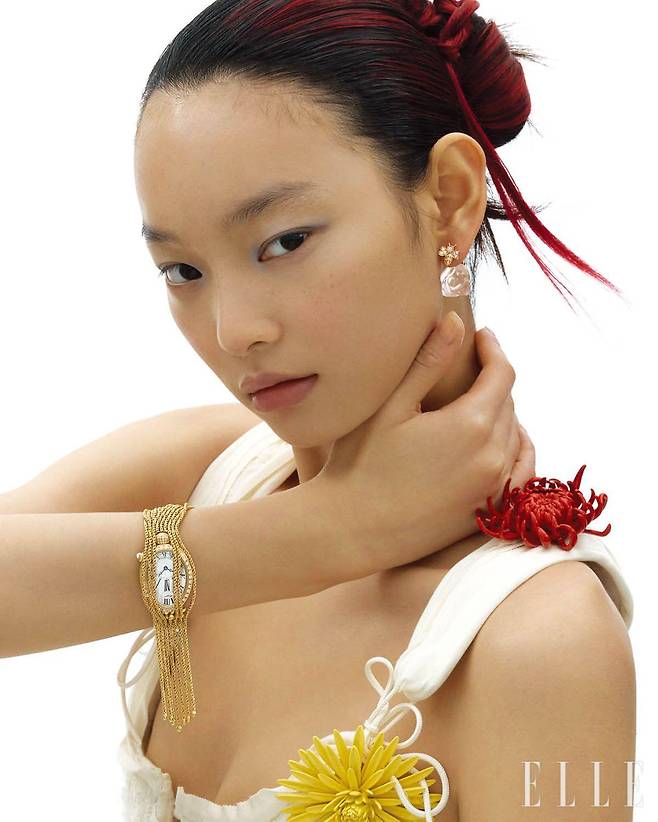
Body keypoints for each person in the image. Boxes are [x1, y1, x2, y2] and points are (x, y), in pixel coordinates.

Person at [0, 1, 635, 820]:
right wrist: (334, 530)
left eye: (285, 242)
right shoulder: (210, 471)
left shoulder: (540, 637)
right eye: (182, 271)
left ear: (450, 198)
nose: (233, 332)